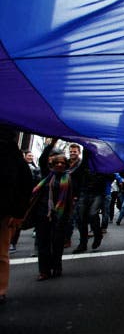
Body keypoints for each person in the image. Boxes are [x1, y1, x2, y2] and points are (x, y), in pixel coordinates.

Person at [0, 127, 33, 302]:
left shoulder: (12, 156)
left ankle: (0, 289)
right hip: (7, 210)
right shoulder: (14, 155)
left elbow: (25, 184)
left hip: (5, 211)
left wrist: (18, 212)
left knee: (1, 253)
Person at [31, 151, 75, 280]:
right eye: (57, 163)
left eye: (62, 163)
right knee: (43, 243)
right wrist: (52, 143)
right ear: (52, 164)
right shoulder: (47, 175)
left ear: (66, 165)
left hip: (60, 216)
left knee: (57, 243)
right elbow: (43, 158)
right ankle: (44, 271)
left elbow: (69, 200)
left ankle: (56, 267)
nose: (60, 165)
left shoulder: (69, 178)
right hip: (43, 213)